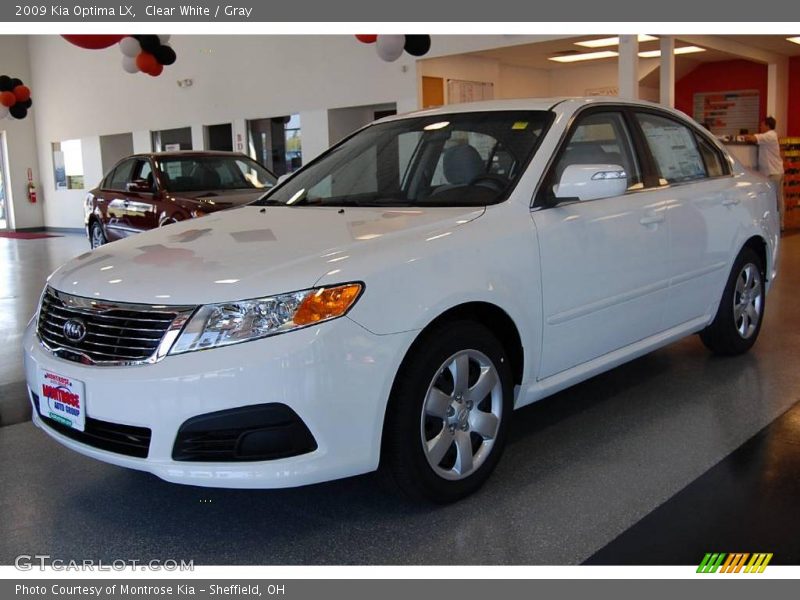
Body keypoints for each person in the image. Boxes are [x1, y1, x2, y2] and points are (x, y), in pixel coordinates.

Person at [746, 116, 785, 231]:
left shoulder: (770, 135)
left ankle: (779, 225)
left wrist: (743, 136)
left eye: (762, 125)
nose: (760, 127)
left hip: (774, 173)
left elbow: (752, 139)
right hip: (775, 171)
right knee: (778, 199)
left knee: (776, 200)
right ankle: (779, 224)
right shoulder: (770, 136)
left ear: (767, 125)